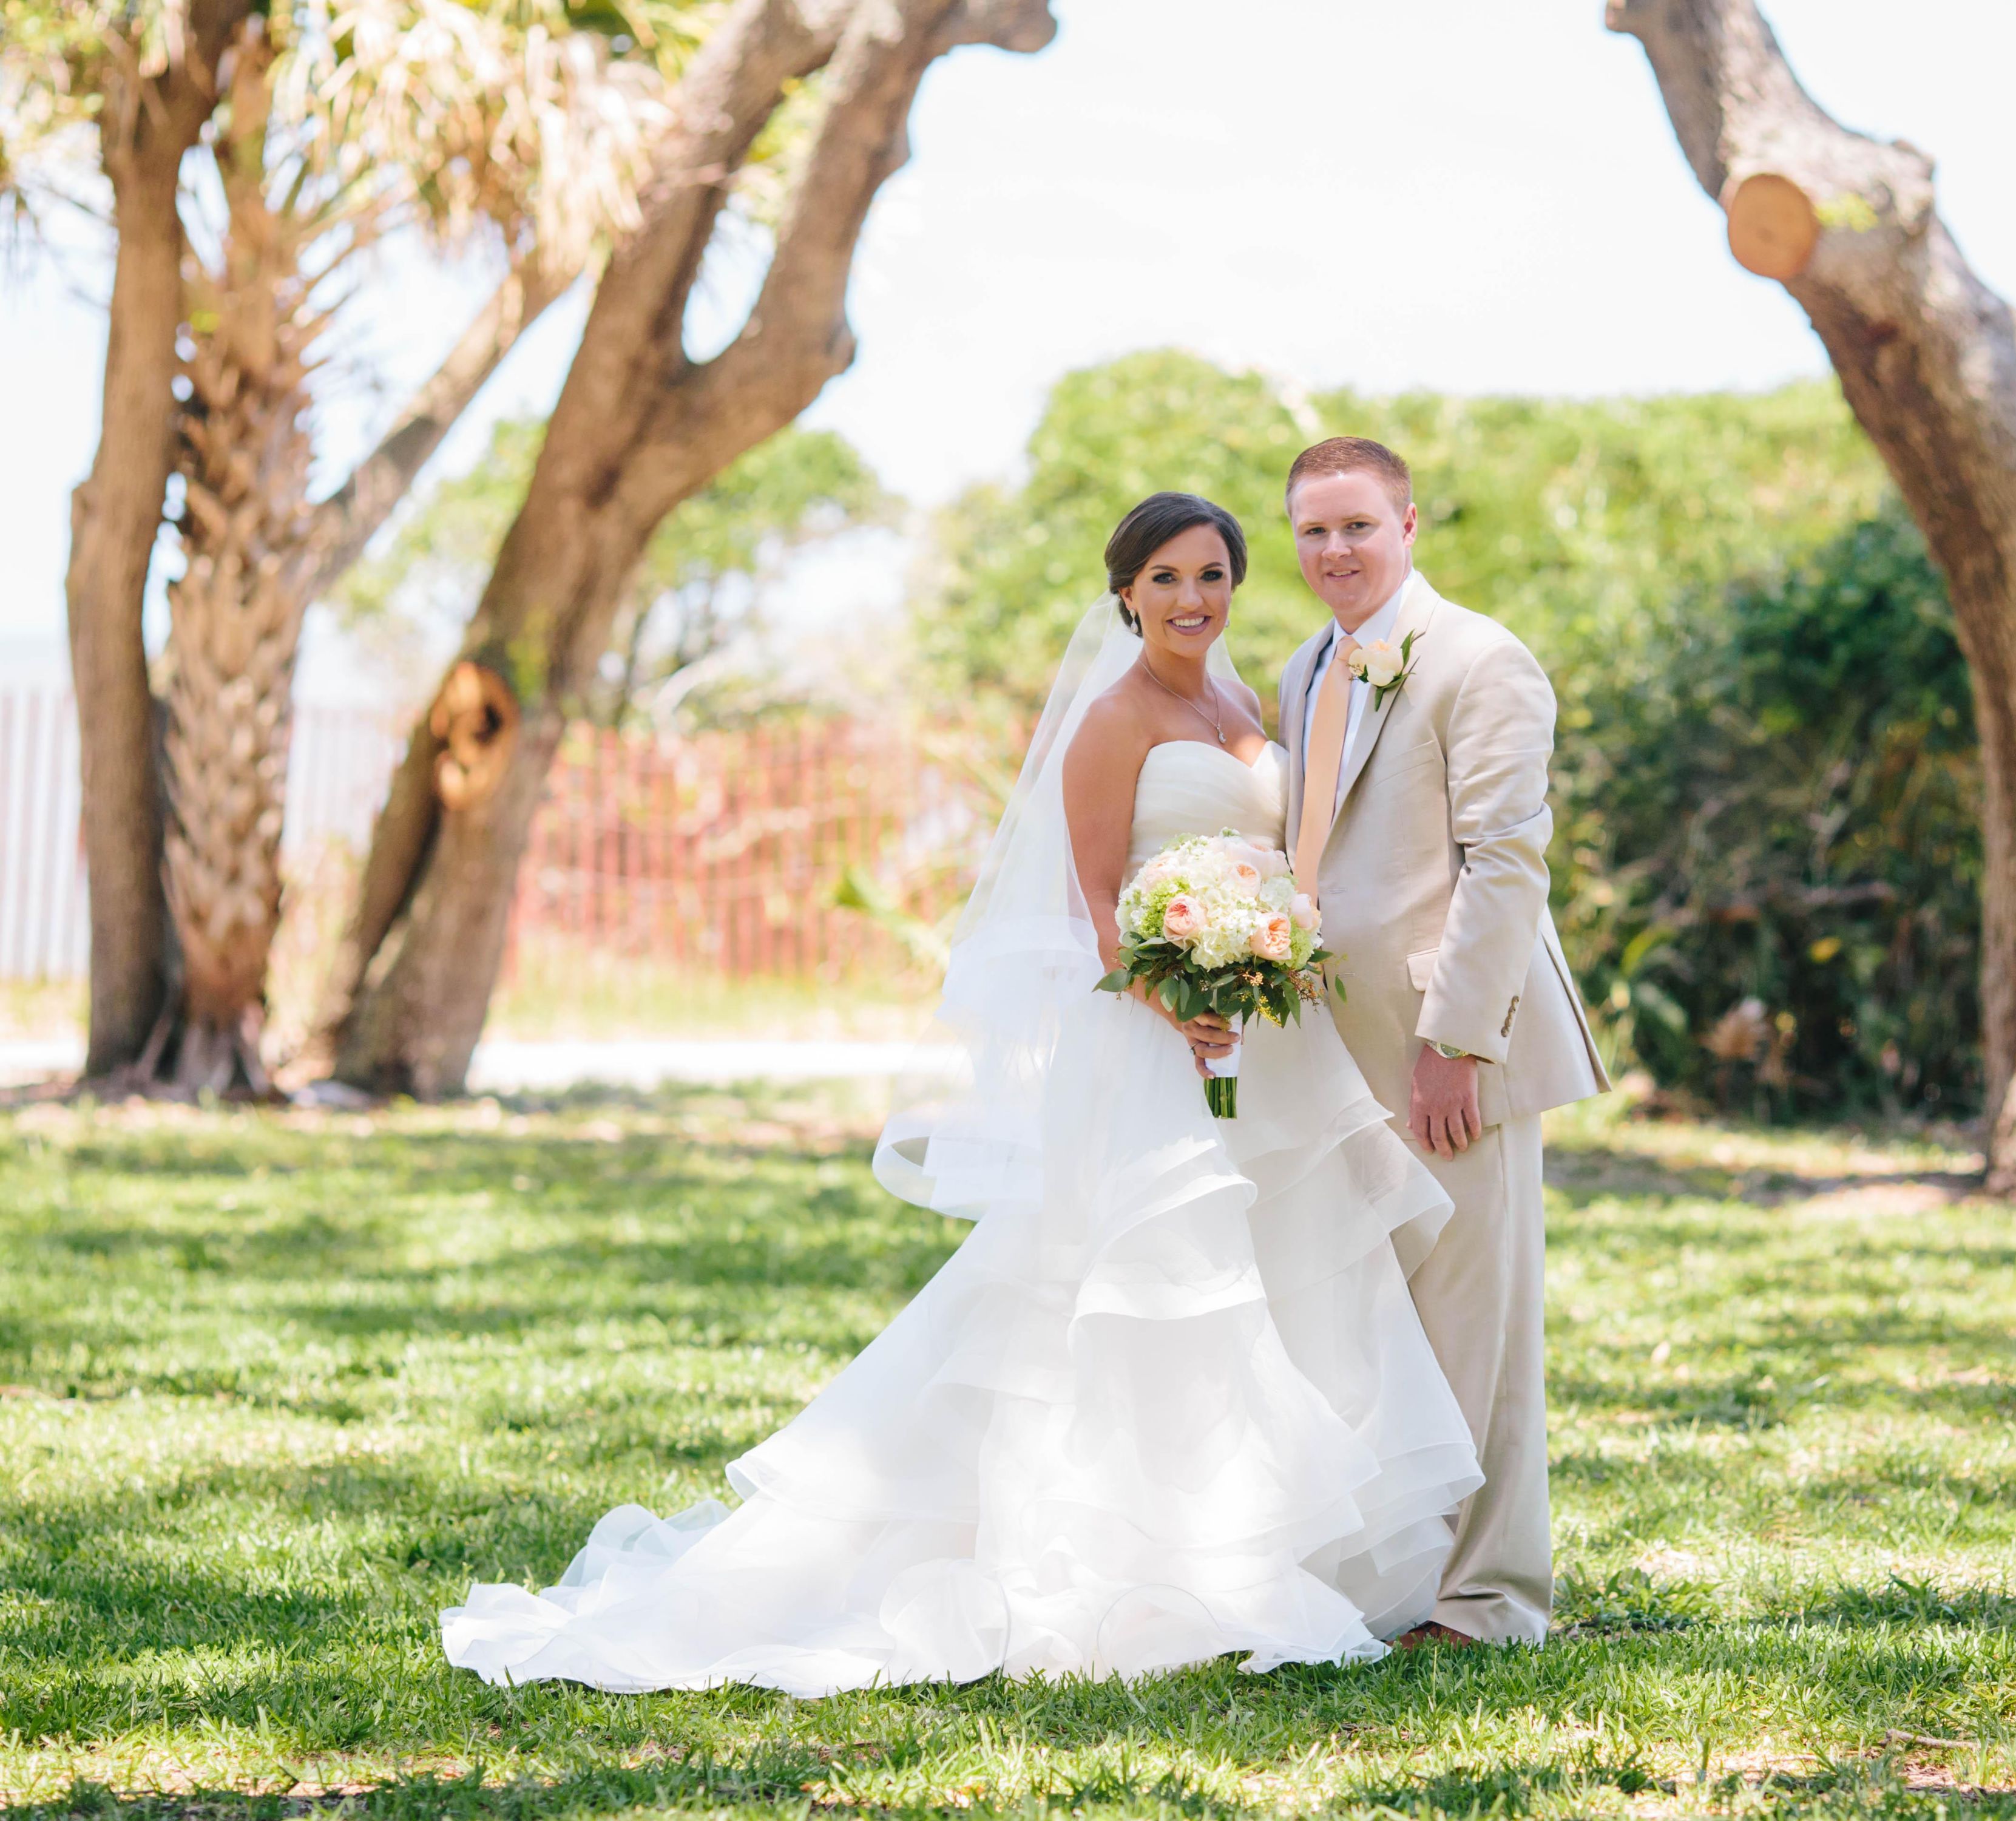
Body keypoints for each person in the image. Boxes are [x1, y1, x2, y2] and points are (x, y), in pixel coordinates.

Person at [439, 492, 1482, 1697]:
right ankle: (1113, 1568)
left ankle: (1245, 1548)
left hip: (1256, 1047)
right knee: (1136, 1297)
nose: (1191, 599)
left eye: (1210, 575)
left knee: (1257, 1289)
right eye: (1164, 578)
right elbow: (1100, 911)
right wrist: (1175, 1000)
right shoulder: (1112, 720)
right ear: (1125, 594)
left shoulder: (1245, 706)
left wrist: (1258, 958)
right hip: (1150, 1049)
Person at [1276, 437, 1609, 1647]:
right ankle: (1391, 1580)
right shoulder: (1303, 669)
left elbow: (1506, 862)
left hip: (1448, 1055)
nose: (1334, 552)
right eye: (1311, 531)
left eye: (1356, 526)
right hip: (1326, 1054)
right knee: (1373, 1331)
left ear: (1408, 524)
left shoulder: (1480, 659)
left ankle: (1487, 1604)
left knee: (1477, 1332)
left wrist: (1453, 1042)